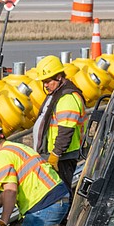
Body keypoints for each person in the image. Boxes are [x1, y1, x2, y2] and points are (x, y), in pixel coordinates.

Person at [32, 56, 86, 190]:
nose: (45, 85)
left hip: (62, 157)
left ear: (59, 77)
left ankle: (66, 211)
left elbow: (66, 131)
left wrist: (55, 154)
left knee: (61, 193)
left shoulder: (67, 98)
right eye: (43, 81)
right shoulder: (56, 93)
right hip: (55, 154)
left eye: (48, 81)